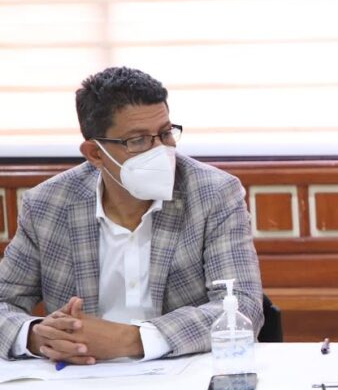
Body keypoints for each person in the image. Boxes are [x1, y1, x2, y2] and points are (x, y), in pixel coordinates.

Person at [0, 66, 263, 364]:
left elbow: (243, 307)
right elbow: (4, 300)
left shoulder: (214, 193)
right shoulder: (47, 204)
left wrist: (130, 339)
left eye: (165, 133)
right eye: (137, 141)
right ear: (95, 154)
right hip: (81, 375)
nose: (160, 150)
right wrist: (38, 337)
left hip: (181, 373)